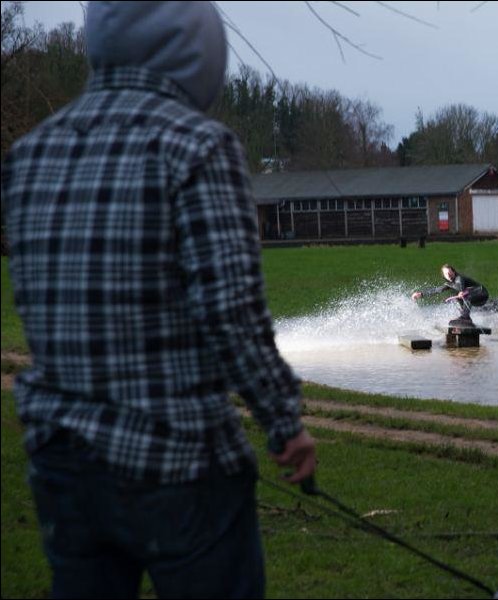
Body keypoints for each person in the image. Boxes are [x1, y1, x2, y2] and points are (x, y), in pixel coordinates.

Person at [1, 2, 315, 598]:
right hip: (180, 461)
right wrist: (284, 423)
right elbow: (232, 312)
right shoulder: (197, 145)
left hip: (61, 461)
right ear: (194, 46)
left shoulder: (30, 152)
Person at [412, 264, 489, 324]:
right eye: (446, 274)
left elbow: (460, 285)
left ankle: (465, 317)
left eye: (450, 272)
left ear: (454, 272)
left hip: (481, 294)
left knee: (465, 295)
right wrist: (421, 294)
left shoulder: (459, 278)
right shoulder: (449, 284)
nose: (448, 275)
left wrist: (461, 291)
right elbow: (436, 290)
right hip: (473, 299)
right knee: (458, 298)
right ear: (444, 276)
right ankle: (466, 319)